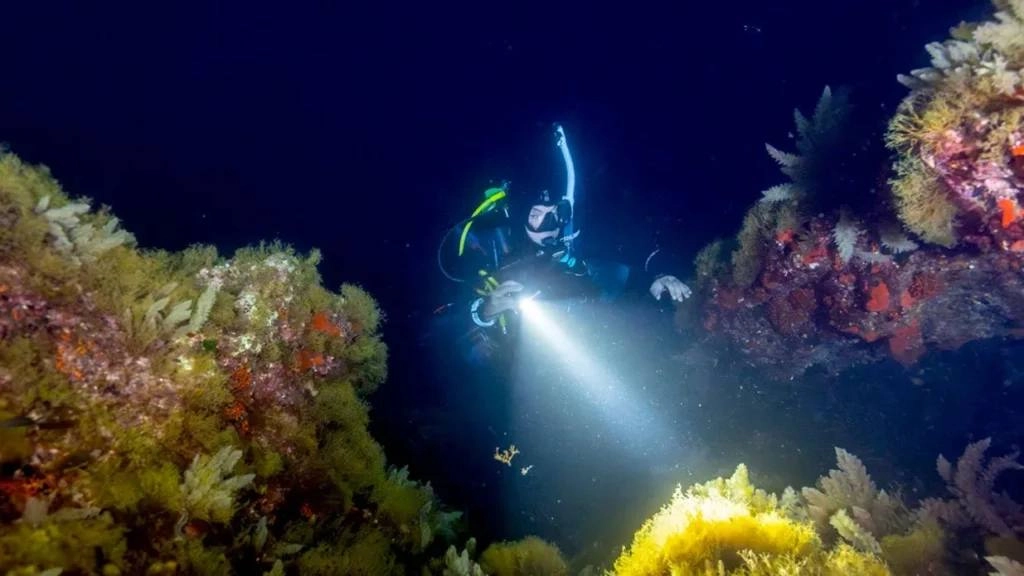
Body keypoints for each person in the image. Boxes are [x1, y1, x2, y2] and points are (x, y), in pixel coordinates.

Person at [435, 124, 691, 365]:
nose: (542, 211)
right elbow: (448, 314)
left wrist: (658, 277)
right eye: (542, 203)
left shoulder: (573, 252)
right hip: (495, 365)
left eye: (554, 213)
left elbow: (624, 267)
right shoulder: (492, 237)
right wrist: (486, 310)